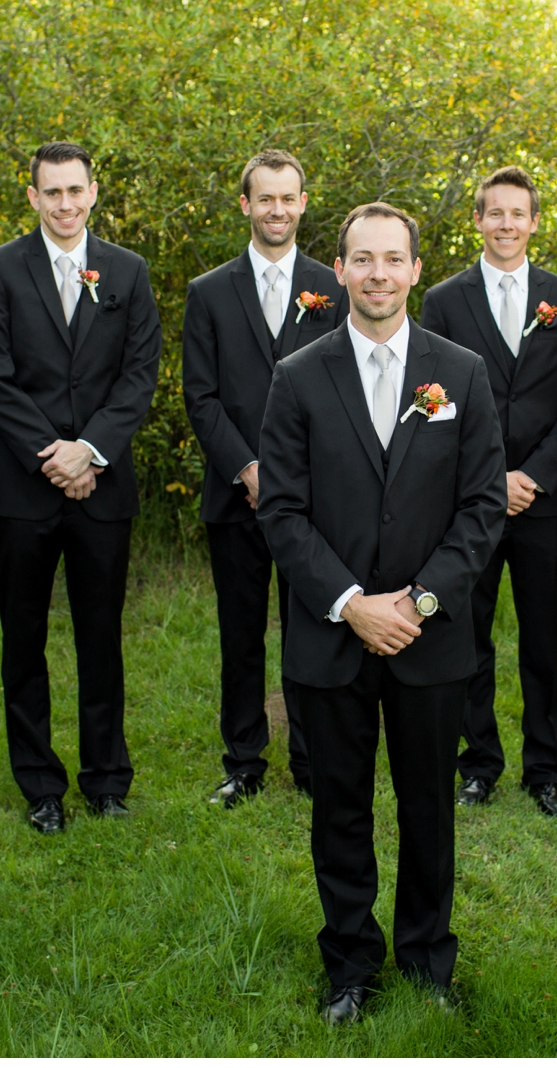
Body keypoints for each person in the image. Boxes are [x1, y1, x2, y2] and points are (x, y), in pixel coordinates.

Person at [258, 202, 505, 1023]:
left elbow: (481, 510)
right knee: (341, 807)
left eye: (392, 260)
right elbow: (282, 513)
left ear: (415, 269)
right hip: (332, 639)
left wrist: (420, 602)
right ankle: (351, 968)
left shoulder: (461, 374)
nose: (378, 275)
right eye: (362, 260)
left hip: (431, 641)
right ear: (339, 271)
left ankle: (430, 962)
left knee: (430, 807)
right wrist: (351, 604)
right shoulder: (297, 376)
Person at [0, 142, 161, 834]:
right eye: (52, 193)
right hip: (23, 487)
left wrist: (91, 451)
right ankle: (40, 785)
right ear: (32, 197)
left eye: (75, 190)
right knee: (23, 640)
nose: (65, 204)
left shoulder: (128, 273)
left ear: (94, 192)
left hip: (103, 487)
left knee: (101, 635)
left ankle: (106, 779)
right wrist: (54, 455)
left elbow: (139, 374)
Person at [420, 166, 557, 819]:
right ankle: (479, 763)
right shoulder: (443, 300)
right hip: (469, 499)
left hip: (544, 503)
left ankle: (545, 771)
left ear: (534, 221)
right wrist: (492, 479)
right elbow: (433, 400)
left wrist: (536, 475)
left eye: (518, 214)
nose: (507, 224)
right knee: (468, 633)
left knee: (544, 638)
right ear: (478, 222)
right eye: (495, 213)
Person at [181, 148, 345, 806]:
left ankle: (312, 759)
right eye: (265, 198)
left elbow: (346, 388)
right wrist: (248, 468)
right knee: (241, 633)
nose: (277, 209)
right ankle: (244, 762)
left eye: (288, 198)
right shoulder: (209, 292)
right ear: (246, 205)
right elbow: (202, 397)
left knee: (314, 626)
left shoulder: (333, 288)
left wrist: (295, 476)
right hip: (236, 494)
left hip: (314, 500)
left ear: (304, 204)